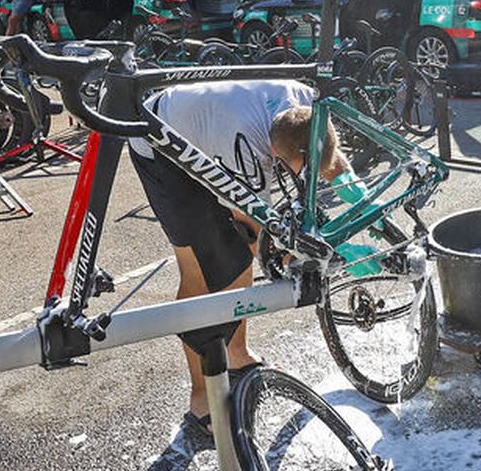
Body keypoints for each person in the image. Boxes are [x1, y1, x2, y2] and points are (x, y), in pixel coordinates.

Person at [128, 80, 349, 436]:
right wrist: (292, 255)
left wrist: (358, 201)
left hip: (205, 130)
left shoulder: (307, 104)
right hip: (159, 142)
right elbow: (253, 225)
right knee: (204, 266)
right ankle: (201, 400)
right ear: (277, 154)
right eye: (296, 167)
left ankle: (237, 353)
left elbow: (330, 160)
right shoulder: (247, 143)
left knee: (237, 260)